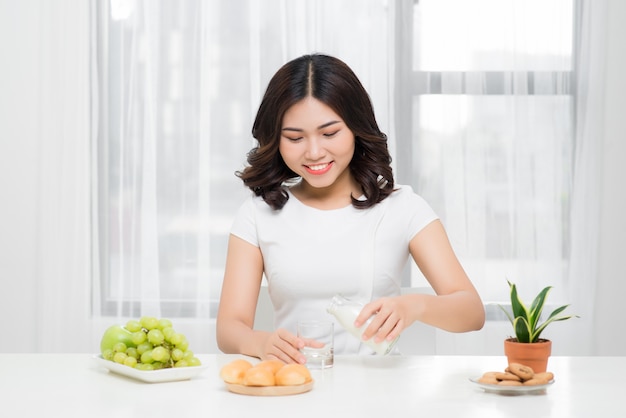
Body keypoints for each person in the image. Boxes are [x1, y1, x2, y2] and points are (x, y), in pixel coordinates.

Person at [216, 53, 485, 364]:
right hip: (295, 389)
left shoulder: (403, 208)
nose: (314, 152)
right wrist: (261, 343)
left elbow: (471, 311)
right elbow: (229, 328)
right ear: (276, 139)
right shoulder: (258, 214)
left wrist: (414, 306)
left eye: (330, 133)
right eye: (294, 137)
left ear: (356, 128)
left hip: (380, 395)